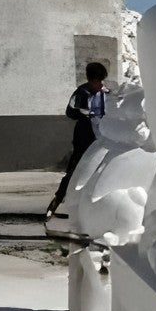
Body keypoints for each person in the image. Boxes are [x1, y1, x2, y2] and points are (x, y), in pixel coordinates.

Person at [44, 61, 109, 220]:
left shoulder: (105, 93)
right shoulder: (82, 92)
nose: (101, 84)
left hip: (101, 137)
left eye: (102, 80)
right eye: (98, 81)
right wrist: (84, 113)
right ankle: (57, 201)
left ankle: (92, 208)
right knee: (75, 169)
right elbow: (70, 111)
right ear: (90, 80)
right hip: (84, 136)